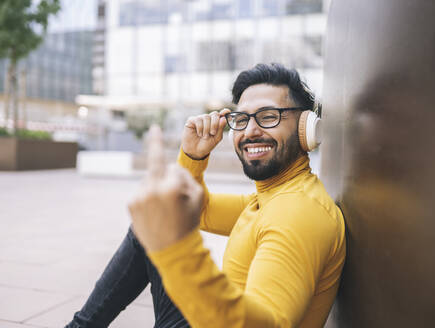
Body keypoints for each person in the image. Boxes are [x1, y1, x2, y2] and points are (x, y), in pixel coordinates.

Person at [66, 63, 345, 328]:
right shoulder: (273, 197)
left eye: (269, 116)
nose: (250, 131)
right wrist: (193, 156)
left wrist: (177, 253)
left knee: (162, 229)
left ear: (306, 127)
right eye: (242, 118)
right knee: (156, 224)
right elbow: (197, 211)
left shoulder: (297, 212)